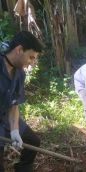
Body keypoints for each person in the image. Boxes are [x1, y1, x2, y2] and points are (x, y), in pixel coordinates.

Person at [0, 31, 43, 172]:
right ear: (19, 50)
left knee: (33, 141)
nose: (32, 62)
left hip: (6, 117)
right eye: (31, 57)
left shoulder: (19, 73)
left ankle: (24, 168)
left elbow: (14, 104)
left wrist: (14, 130)